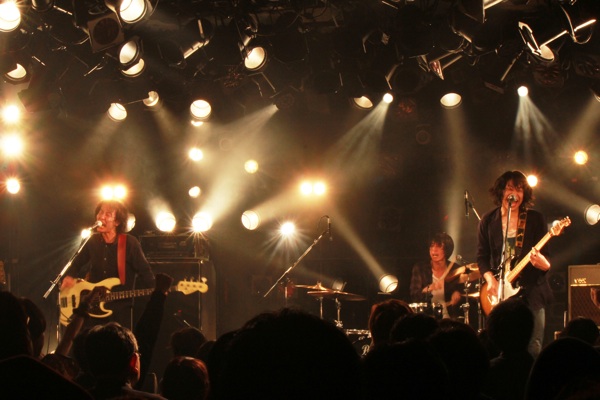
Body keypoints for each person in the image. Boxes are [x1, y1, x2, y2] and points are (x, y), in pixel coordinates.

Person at [477, 170, 553, 358]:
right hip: (502, 291)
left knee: (533, 345)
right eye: (510, 188)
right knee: (500, 345)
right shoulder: (488, 220)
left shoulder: (535, 219)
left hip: (532, 290)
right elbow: (482, 256)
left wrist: (544, 264)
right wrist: (490, 280)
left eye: (519, 190)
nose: (515, 194)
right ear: (501, 191)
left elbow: (545, 257)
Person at [60, 199, 155, 330]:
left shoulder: (129, 243)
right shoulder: (91, 241)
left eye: (108, 214)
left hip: (120, 309)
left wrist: (157, 292)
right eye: (100, 212)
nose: (101, 217)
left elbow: (145, 272)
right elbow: (76, 263)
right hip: (92, 308)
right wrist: (69, 276)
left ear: (117, 222)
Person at [409, 232, 464, 320]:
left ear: (447, 250)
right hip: (428, 319)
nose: (434, 250)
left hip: (450, 319)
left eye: (438, 247)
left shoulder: (455, 269)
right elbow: (414, 296)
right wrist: (428, 288)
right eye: (431, 246)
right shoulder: (420, 268)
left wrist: (458, 294)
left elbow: (464, 294)